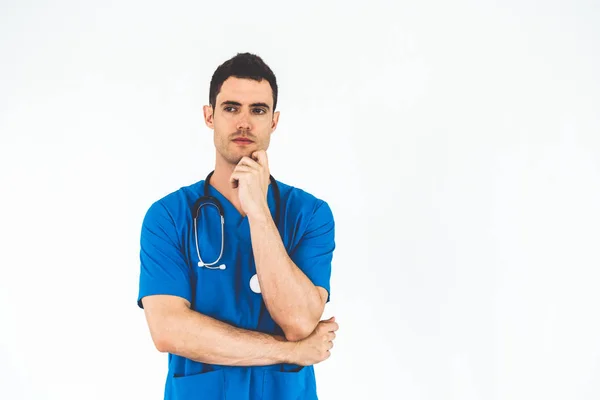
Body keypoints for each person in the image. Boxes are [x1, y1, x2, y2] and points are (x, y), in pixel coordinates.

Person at [137, 52, 338, 400]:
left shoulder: (309, 214)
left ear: (273, 122)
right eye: (231, 108)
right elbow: (169, 330)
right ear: (209, 116)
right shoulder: (169, 217)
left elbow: (301, 323)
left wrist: (258, 211)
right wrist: (291, 351)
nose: (244, 122)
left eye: (258, 110)